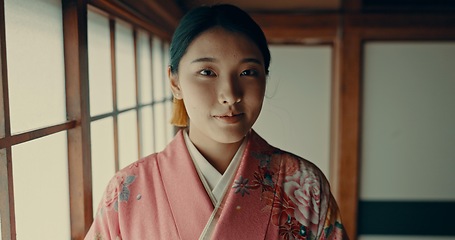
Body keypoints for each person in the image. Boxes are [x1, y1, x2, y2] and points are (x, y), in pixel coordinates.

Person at [85, 4, 348, 240]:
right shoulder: (127, 188)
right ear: (175, 82)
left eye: (248, 72)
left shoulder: (306, 184)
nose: (230, 94)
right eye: (207, 72)